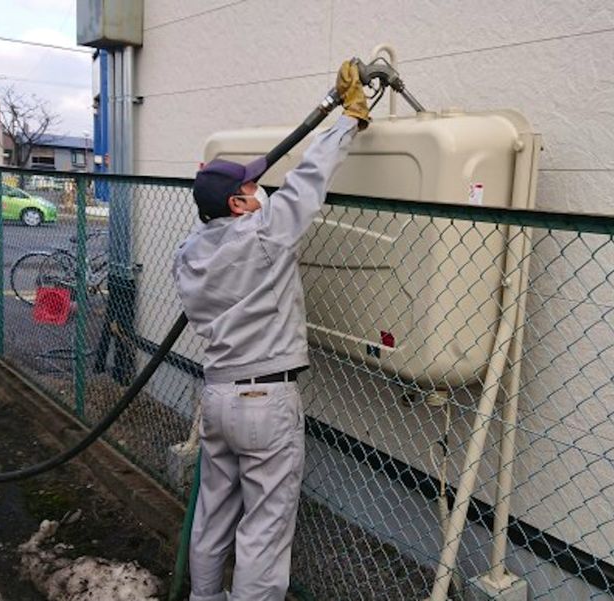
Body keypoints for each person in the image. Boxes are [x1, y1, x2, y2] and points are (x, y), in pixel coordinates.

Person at [173, 61, 370, 601]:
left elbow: (237, 213)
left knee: (213, 517)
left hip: (215, 396)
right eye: (255, 187)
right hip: (266, 398)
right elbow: (310, 178)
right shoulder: (263, 233)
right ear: (239, 204)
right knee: (264, 528)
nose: (263, 194)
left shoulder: (188, 254)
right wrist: (348, 118)